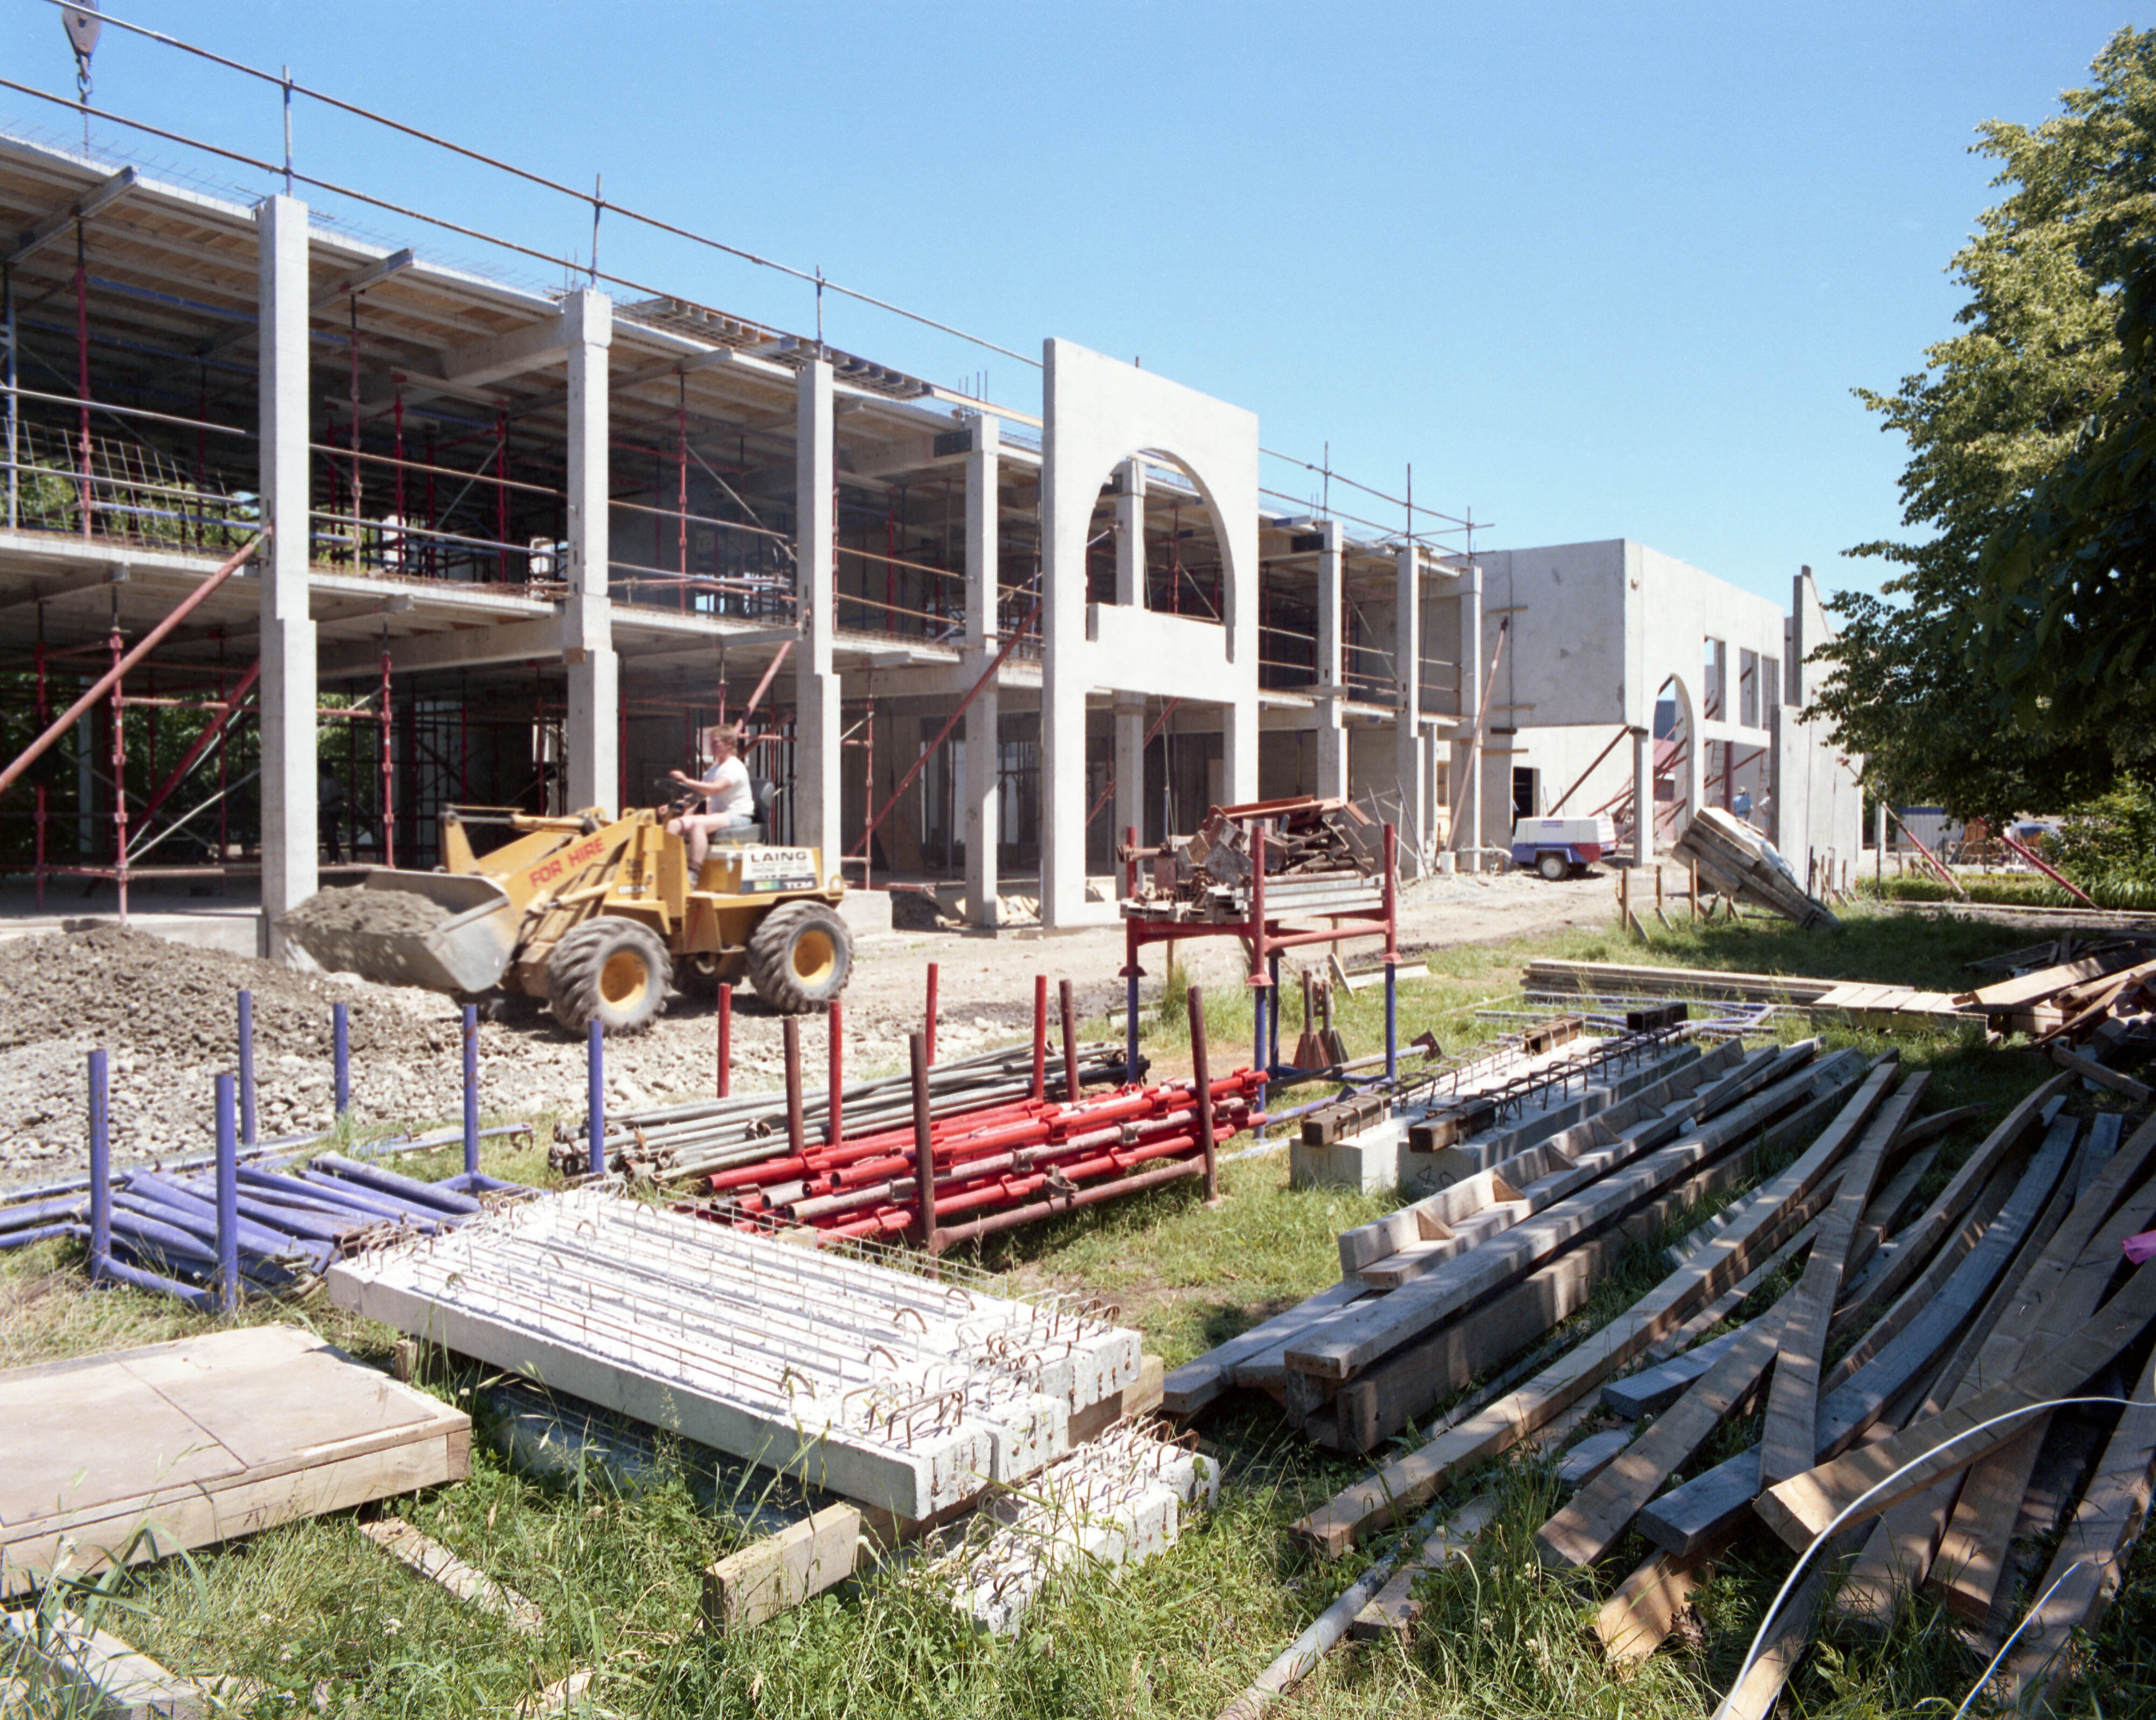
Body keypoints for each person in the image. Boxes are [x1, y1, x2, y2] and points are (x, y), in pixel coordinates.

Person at [667, 724, 755, 871]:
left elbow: (714, 789)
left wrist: (685, 780)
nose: (711, 747)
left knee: (699, 824)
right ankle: (668, 868)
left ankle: (694, 872)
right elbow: (699, 795)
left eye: (715, 743)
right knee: (674, 824)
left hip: (738, 816)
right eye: (711, 743)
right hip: (719, 816)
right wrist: (674, 806)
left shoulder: (734, 767)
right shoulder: (714, 770)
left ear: (729, 744)